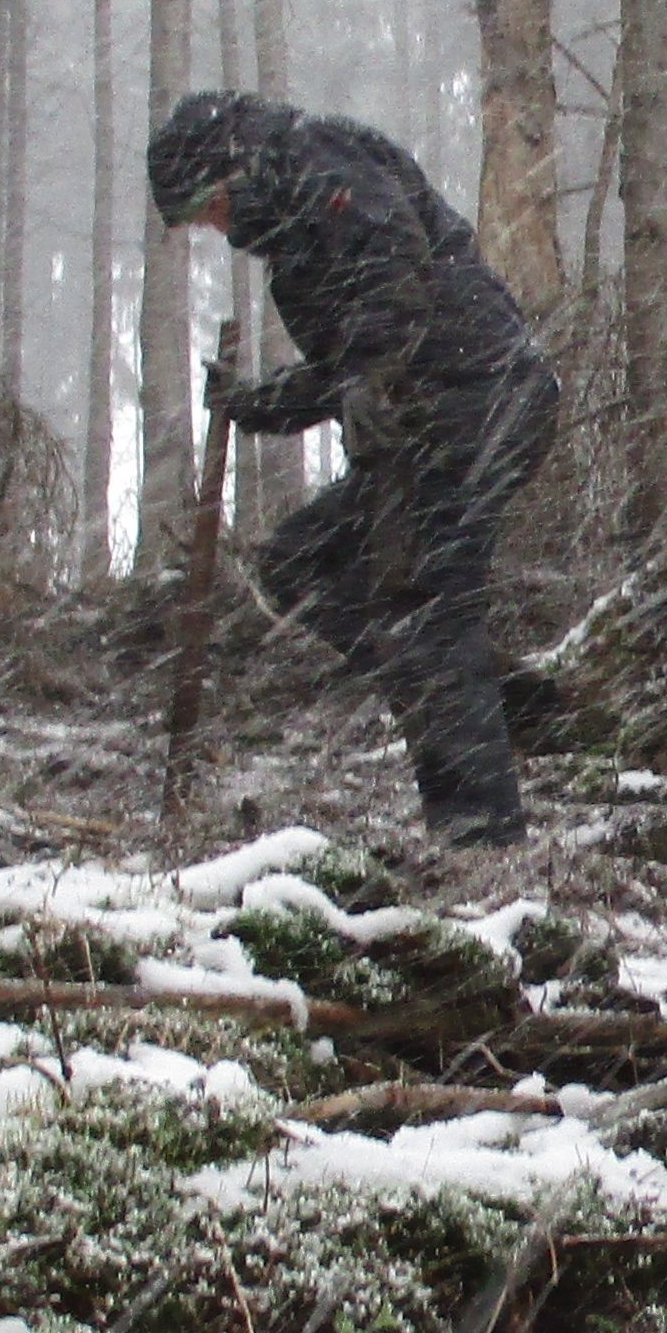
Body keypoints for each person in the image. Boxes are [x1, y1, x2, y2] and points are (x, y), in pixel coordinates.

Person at [150, 91, 558, 845]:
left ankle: (480, 839)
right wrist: (256, 403)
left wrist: (370, 371)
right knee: (303, 566)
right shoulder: (294, 255)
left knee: (430, 611)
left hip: (484, 396)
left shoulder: (321, 160)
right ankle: (489, 701)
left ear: (235, 170)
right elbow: (343, 372)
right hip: (421, 426)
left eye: (209, 206)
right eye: (199, 219)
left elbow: (390, 262)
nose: (216, 227)